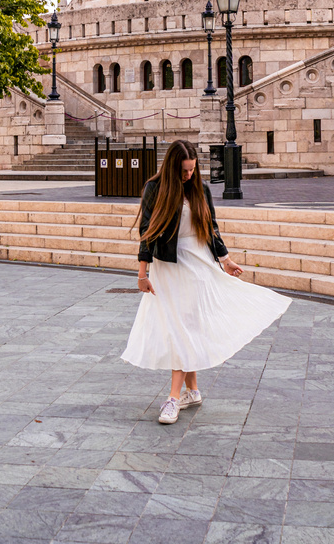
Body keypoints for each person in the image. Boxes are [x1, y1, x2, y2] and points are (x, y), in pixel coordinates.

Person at [121, 139, 291, 424]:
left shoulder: (200, 189)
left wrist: (225, 259)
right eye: (183, 171)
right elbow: (147, 231)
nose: (188, 176)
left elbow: (211, 227)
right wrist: (142, 273)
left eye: (191, 170)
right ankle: (193, 391)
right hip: (169, 265)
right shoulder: (155, 188)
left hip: (198, 264)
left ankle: (173, 398)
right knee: (182, 328)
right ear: (172, 168)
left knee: (183, 329)